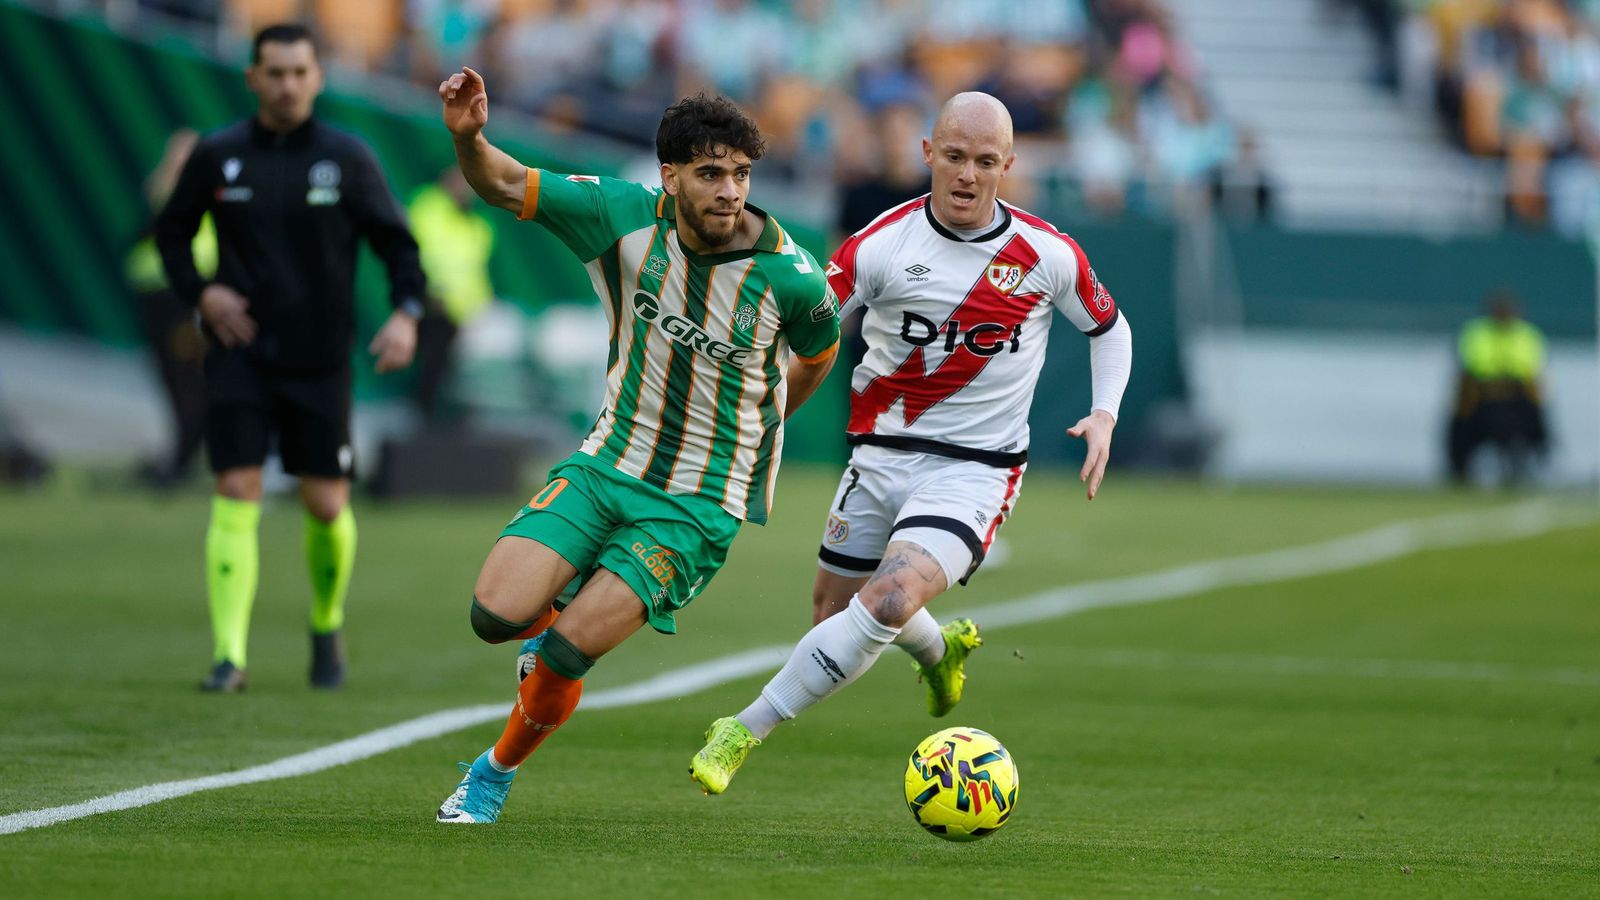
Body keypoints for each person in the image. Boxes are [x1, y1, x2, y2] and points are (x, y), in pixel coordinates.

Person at [689, 92, 1134, 794]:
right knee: (834, 614)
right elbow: (809, 322)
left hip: (976, 471)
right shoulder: (881, 245)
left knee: (888, 600)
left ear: (1008, 166)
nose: (967, 176)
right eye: (954, 157)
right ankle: (939, 649)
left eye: (986, 162)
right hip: (879, 456)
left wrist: (1103, 413)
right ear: (928, 153)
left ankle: (745, 726)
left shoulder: (1047, 254)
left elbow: (1109, 328)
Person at [432, 68, 841, 824]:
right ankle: (548, 623)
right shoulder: (617, 215)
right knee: (493, 614)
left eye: (742, 175)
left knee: (564, 656)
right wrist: (468, 136)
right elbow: (503, 183)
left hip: (697, 503)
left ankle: (491, 776)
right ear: (670, 175)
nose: (729, 191)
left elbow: (818, 353)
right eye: (711, 173)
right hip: (607, 462)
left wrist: (764, 417)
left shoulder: (791, 277)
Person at [154, 23, 427, 693]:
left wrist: (406, 315)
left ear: (318, 77)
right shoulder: (218, 156)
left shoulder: (349, 158)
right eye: (274, 73)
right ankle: (229, 657)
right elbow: (171, 235)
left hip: (320, 359)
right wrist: (202, 293)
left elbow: (399, 246)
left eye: (299, 72)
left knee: (327, 504)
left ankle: (326, 624)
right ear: (252, 78)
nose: (287, 85)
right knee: (236, 489)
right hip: (238, 354)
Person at [126, 128, 216, 489]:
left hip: (185, 296)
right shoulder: (164, 190)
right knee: (171, 376)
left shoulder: (205, 193)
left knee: (188, 378)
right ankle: (181, 454)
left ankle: (184, 458)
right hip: (156, 295)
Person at [406, 166, 496, 424]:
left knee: (446, 370)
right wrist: (431, 290)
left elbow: (475, 272)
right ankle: (423, 419)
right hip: (430, 302)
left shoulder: (479, 226)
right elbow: (421, 252)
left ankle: (439, 420)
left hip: (461, 313)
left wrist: (479, 306)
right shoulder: (427, 206)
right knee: (430, 366)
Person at [1446, 290, 1549, 485]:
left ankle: (1533, 459)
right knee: (1461, 416)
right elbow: (1474, 362)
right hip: (1483, 394)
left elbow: (1530, 366)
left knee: (1535, 411)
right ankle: (1458, 468)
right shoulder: (1476, 332)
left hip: (1516, 394)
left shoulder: (1526, 334)